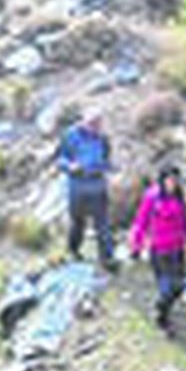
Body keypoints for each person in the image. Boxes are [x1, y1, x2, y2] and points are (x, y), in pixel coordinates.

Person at [130, 165, 186, 331]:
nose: (173, 184)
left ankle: (162, 310)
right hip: (159, 251)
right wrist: (136, 245)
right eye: (170, 180)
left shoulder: (179, 197)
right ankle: (162, 316)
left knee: (180, 286)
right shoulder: (152, 197)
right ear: (163, 180)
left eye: (175, 180)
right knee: (167, 288)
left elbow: (185, 219)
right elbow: (141, 222)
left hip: (177, 249)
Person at [58, 110, 117, 269]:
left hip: (98, 186)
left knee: (102, 224)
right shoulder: (70, 136)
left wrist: (108, 168)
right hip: (77, 186)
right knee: (78, 222)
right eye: (92, 123)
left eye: (98, 124)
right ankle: (73, 250)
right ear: (83, 121)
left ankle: (107, 258)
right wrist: (70, 166)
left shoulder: (103, 139)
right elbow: (60, 159)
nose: (95, 127)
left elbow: (107, 159)